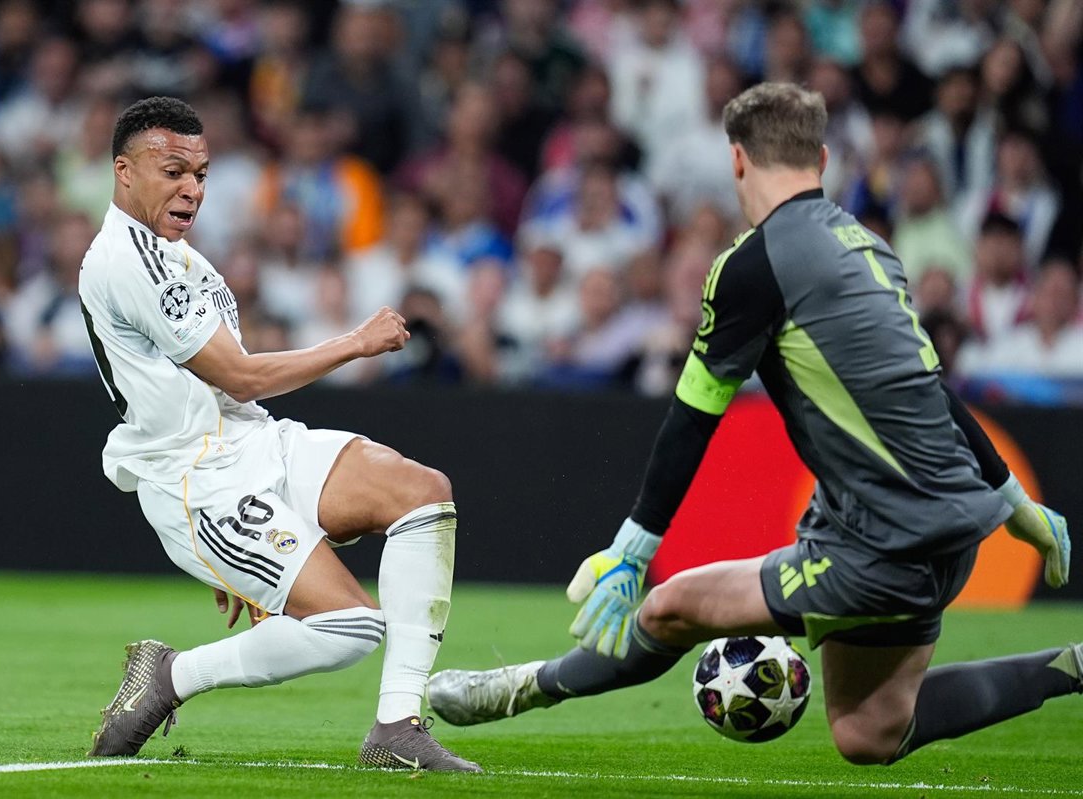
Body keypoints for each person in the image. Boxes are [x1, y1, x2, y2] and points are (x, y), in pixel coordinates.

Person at [428, 83, 1077, 766]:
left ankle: (518, 688)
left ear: (736, 160)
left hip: (885, 541)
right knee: (872, 731)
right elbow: (932, 388)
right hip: (948, 531)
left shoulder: (752, 264)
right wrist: (1015, 502)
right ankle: (1074, 664)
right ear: (821, 159)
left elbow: (693, 414)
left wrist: (632, 550)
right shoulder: (869, 248)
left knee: (668, 608)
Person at [79, 97, 479, 772]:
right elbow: (239, 376)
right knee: (352, 626)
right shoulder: (127, 260)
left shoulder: (176, 256)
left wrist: (236, 562)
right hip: (197, 480)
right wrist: (355, 342)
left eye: (200, 174)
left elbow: (227, 392)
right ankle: (172, 676)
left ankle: (398, 727)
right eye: (173, 171)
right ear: (124, 171)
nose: (191, 189)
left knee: (421, 491)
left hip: (256, 444)